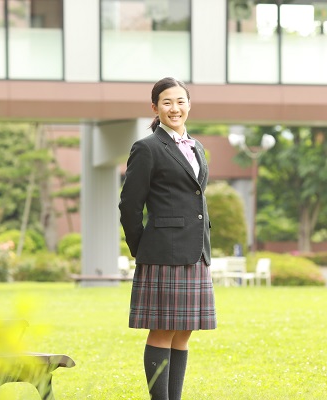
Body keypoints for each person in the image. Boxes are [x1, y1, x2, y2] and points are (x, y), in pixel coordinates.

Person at [119, 77, 216, 400]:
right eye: (167, 102)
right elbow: (130, 205)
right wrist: (142, 248)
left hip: (196, 250)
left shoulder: (197, 146)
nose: (175, 108)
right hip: (163, 252)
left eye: (180, 101)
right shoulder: (146, 148)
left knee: (184, 332)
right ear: (155, 108)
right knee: (162, 331)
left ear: (189, 105)